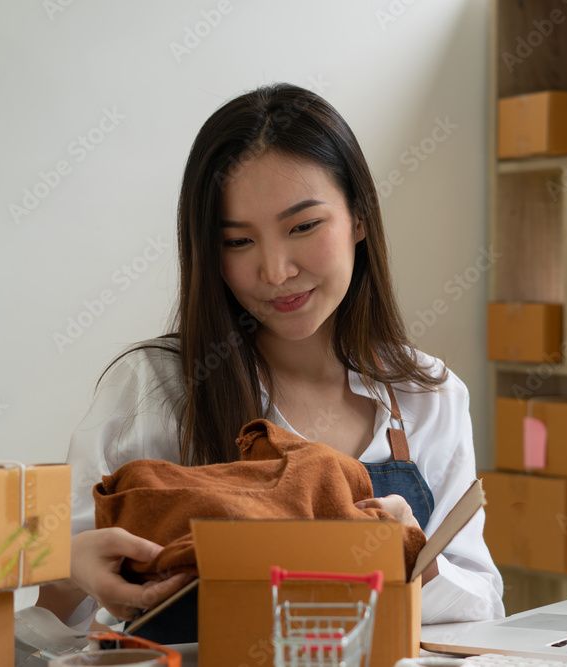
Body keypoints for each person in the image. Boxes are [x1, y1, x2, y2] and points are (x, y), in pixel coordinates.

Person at [36, 83, 504, 628]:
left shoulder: (427, 393)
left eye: (303, 227)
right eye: (238, 241)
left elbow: (484, 605)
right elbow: (53, 621)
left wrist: (414, 557)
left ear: (358, 217)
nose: (276, 271)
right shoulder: (159, 387)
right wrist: (69, 569)